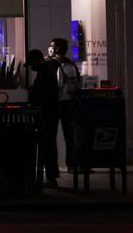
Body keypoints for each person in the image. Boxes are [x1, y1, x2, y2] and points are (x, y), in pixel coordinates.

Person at [26, 49, 60, 188]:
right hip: (49, 114)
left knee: (48, 145)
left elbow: (43, 95)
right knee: (49, 145)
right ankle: (51, 177)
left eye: (31, 63)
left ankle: (51, 178)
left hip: (47, 115)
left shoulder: (45, 72)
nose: (31, 67)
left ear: (37, 59)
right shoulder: (45, 71)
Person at [47, 38, 81, 173]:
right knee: (70, 136)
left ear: (57, 49)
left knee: (51, 136)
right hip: (70, 102)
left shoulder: (51, 63)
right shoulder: (71, 62)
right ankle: (72, 165)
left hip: (56, 103)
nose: (50, 48)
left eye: (51, 46)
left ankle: (52, 169)